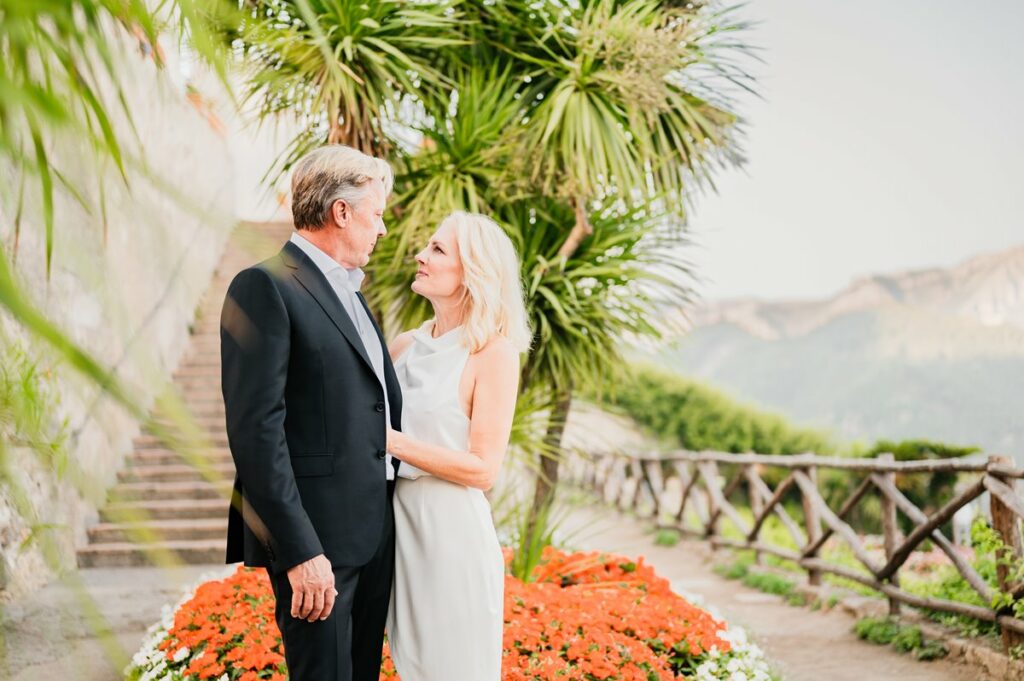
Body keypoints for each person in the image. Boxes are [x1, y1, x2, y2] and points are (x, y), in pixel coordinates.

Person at [220, 144, 401, 681]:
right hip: (317, 544)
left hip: (373, 535)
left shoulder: (354, 294)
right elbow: (256, 433)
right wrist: (299, 552)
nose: (383, 229)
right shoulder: (264, 286)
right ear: (340, 213)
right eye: (377, 214)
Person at [385, 211, 531, 680]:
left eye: (437, 250)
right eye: (427, 247)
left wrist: (389, 442)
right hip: (394, 529)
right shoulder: (403, 347)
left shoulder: (493, 354)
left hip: (451, 537)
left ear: (473, 272)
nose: (420, 256)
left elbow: (483, 469)